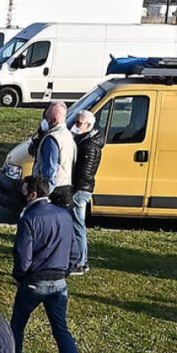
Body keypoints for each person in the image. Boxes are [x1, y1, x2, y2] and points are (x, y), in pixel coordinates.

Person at [9, 176, 86, 353]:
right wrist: (66, 271)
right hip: (59, 282)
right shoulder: (64, 215)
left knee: (18, 324)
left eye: (25, 190)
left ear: (32, 194)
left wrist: (20, 276)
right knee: (61, 329)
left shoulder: (29, 218)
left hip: (35, 281)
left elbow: (23, 256)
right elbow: (74, 251)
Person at [66, 111, 103, 272]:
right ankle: (80, 259)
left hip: (80, 190)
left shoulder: (89, 146)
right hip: (80, 188)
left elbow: (84, 173)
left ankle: (80, 262)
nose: (75, 126)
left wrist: (72, 189)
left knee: (77, 225)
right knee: (76, 224)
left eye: (79, 123)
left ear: (89, 125)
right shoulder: (85, 140)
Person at [30, 101, 76, 196]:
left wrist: (43, 194)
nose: (44, 121)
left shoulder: (52, 139)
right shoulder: (68, 135)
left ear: (54, 120)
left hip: (53, 191)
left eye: (47, 118)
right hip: (65, 185)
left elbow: (49, 170)